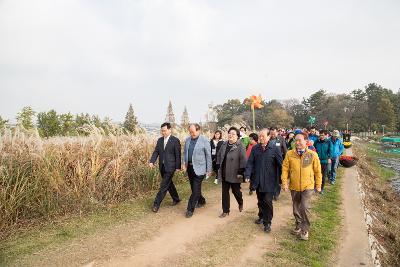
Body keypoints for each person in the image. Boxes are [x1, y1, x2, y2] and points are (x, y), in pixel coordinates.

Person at [281, 132, 322, 241]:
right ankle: (298, 224)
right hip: (294, 186)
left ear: (306, 142)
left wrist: (318, 185)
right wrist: (284, 183)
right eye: (296, 140)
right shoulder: (290, 154)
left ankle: (305, 229)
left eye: (300, 140)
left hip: (308, 186)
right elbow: (285, 169)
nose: (297, 142)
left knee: (304, 207)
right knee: (296, 208)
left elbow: (318, 171)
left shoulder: (312, 154)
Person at [245, 129, 283, 233]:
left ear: (269, 136)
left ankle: (267, 222)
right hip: (258, 179)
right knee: (260, 200)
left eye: (263, 136)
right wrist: (247, 174)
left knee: (267, 201)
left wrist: (282, 179)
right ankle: (261, 216)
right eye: (259, 136)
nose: (260, 138)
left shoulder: (275, 149)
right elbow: (250, 163)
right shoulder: (255, 148)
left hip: (270, 180)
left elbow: (281, 165)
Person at [149, 122, 182, 212]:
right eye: (162, 131)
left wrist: (178, 167)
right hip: (162, 167)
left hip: (171, 167)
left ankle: (156, 204)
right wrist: (152, 161)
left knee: (163, 185)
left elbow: (178, 154)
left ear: (169, 130)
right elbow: (156, 151)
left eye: (164, 131)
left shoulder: (175, 140)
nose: (163, 132)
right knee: (169, 184)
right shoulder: (159, 140)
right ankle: (176, 199)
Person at [216, 127, 247, 218]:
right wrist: (218, 165)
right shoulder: (224, 144)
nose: (231, 135)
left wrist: (241, 172)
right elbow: (219, 155)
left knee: (235, 191)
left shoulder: (240, 145)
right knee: (224, 192)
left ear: (237, 136)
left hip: (235, 173)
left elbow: (243, 160)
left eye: (233, 134)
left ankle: (240, 202)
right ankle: (225, 211)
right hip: (224, 172)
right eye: (229, 133)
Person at [183, 123, 212, 218]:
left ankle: (190, 209)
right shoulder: (187, 140)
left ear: (198, 130)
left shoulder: (205, 140)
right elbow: (185, 153)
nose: (191, 134)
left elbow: (208, 156)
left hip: (200, 168)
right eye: (190, 132)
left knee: (195, 190)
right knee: (194, 188)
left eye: (193, 132)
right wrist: (184, 164)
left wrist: (209, 169)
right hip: (190, 168)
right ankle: (201, 200)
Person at [268, 127, 287, 200]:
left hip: (278, 162)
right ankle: (270, 192)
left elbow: (285, 150)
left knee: (277, 178)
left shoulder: (281, 139)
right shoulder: (267, 139)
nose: (272, 135)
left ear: (277, 133)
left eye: (274, 133)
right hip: (269, 162)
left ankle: (276, 194)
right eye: (271, 133)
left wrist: (285, 161)